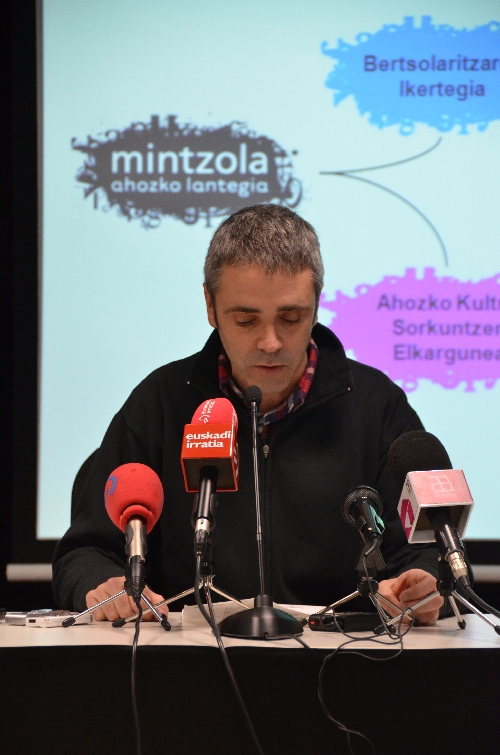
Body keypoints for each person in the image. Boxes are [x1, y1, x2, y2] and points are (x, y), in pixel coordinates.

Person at [53, 204, 443, 625]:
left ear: (317, 305)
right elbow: (86, 551)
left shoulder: (377, 406)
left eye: (291, 318)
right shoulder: (160, 403)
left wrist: (420, 586)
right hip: (188, 655)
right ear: (210, 305)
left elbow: (429, 551)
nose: (270, 342)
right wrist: (103, 584)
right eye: (245, 320)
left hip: (341, 652)